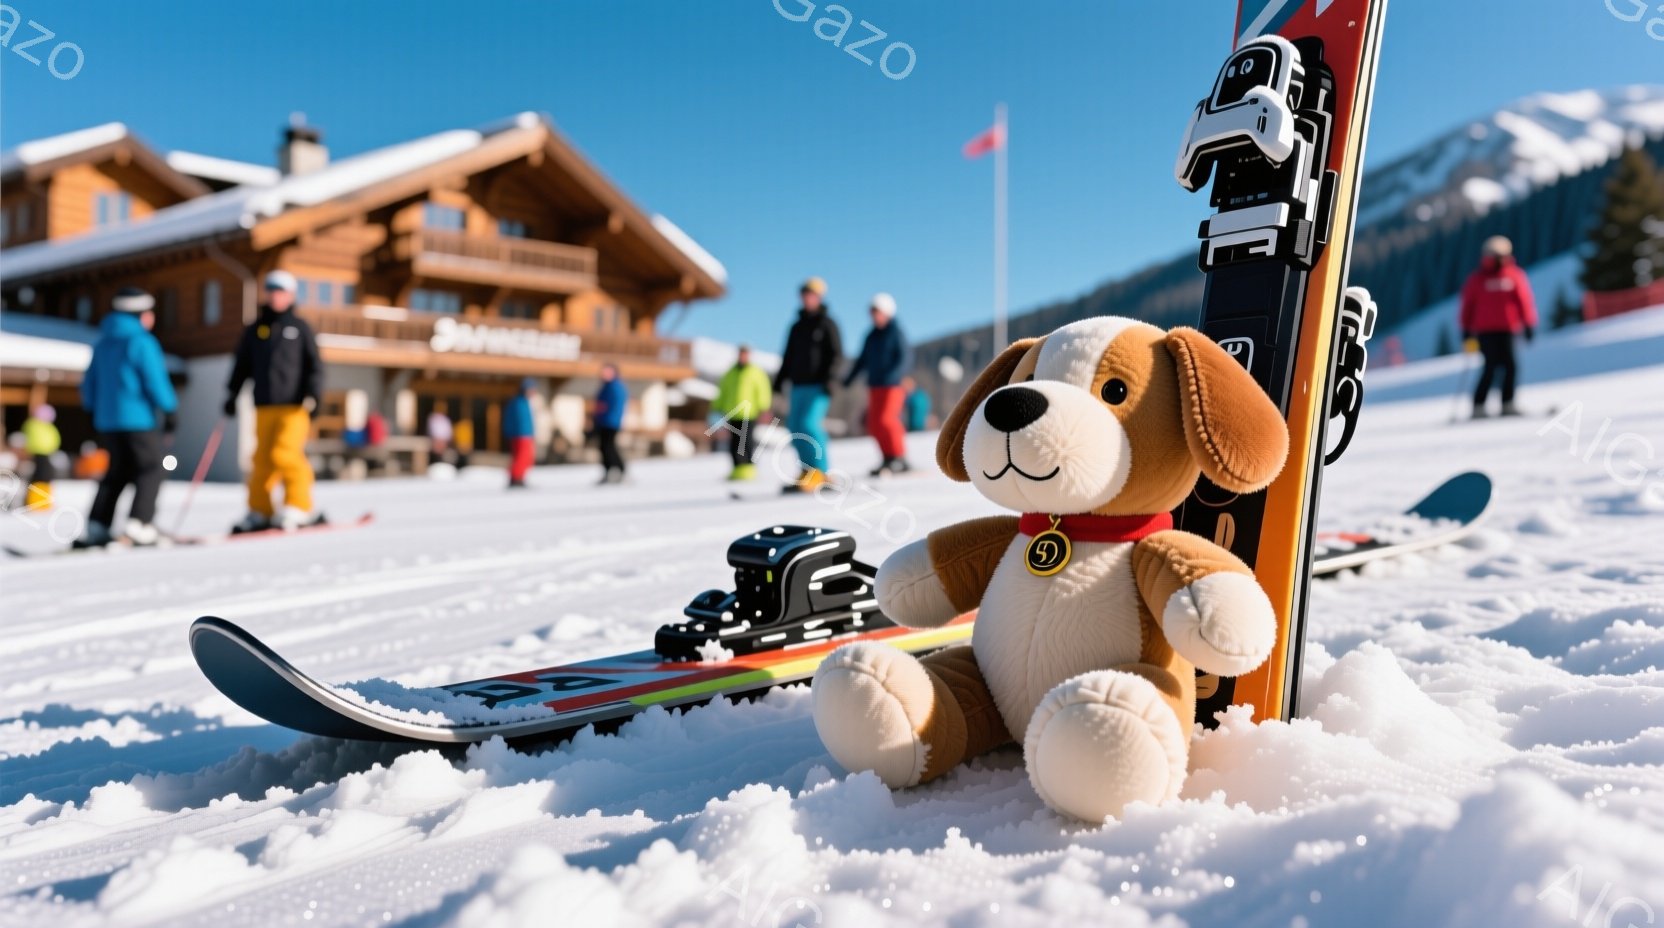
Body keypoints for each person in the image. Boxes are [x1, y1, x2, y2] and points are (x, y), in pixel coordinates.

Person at [75, 287, 179, 547]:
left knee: (117, 471)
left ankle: (98, 524)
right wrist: (169, 408)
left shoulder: (103, 343)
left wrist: (92, 410)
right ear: (140, 314)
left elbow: (89, 383)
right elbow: (155, 380)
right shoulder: (141, 341)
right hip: (138, 419)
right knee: (152, 468)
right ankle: (140, 523)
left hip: (108, 421)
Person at [224, 270, 323, 532]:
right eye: (271, 291)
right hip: (264, 404)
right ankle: (260, 509)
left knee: (286, 454)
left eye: (281, 292)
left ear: (290, 296)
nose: (276, 296)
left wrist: (315, 395)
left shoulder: (300, 328)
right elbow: (242, 364)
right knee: (262, 459)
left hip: (294, 406)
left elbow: (314, 365)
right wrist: (232, 394)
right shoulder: (256, 329)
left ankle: (298, 506)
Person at [774, 277, 843, 492]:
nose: (807, 298)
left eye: (811, 294)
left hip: (818, 386)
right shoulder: (796, 327)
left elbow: (836, 354)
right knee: (794, 426)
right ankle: (807, 470)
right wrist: (778, 381)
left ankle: (821, 472)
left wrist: (831, 378)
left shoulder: (827, 324)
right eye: (804, 294)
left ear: (819, 297)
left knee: (809, 424)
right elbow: (788, 356)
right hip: (798, 385)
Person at [1459, 236, 1538, 418]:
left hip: (1508, 329)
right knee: (1490, 366)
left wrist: (1528, 323)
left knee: (1510, 366)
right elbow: (1468, 306)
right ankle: (1478, 406)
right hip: (1485, 331)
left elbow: (1524, 302)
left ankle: (1507, 403)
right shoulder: (1477, 279)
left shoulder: (1514, 275)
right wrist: (1466, 329)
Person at [844, 292, 913, 476]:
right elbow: (862, 360)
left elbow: (905, 357)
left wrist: (896, 375)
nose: (875, 316)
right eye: (872, 312)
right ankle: (887, 458)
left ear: (887, 312)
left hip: (892, 385)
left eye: (878, 312)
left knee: (887, 420)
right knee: (874, 423)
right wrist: (849, 379)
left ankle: (899, 457)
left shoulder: (896, 332)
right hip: (874, 385)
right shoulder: (871, 336)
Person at [714, 344, 773, 481]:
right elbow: (723, 392)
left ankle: (748, 468)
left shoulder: (755, 372)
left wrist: (764, 407)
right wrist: (717, 407)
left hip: (749, 413)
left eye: (745, 354)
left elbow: (763, 390)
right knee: (734, 442)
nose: (743, 356)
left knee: (746, 441)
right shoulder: (730, 373)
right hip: (732, 413)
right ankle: (737, 468)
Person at [592, 364, 627, 484]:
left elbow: (615, 406)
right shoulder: (605, 386)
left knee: (609, 447)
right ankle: (608, 471)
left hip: (611, 423)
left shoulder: (616, 387)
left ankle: (620, 470)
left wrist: (609, 417)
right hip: (602, 422)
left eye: (607, 371)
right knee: (603, 447)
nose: (603, 374)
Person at [23, 404, 61, 511]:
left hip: (45, 454)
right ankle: (36, 500)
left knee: (44, 476)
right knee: (40, 476)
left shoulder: (34, 425)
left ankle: (41, 500)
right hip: (39, 453)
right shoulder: (34, 425)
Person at [504, 378, 537, 489]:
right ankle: (516, 477)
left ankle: (519, 477)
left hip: (524, 435)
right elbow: (520, 421)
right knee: (521, 457)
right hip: (521, 435)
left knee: (526, 458)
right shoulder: (519, 402)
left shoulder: (523, 402)